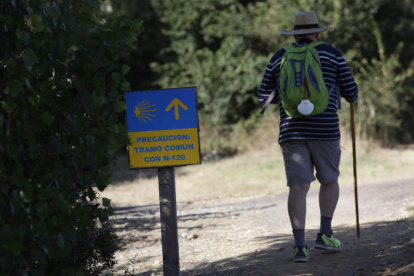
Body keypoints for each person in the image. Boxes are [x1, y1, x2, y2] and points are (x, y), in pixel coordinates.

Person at [258, 10, 358, 263]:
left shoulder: (280, 56)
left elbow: (262, 96)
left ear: (295, 33)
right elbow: (351, 92)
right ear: (317, 32)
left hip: (292, 130)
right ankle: (325, 234)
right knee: (329, 180)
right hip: (325, 129)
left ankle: (300, 246)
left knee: (298, 186)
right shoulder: (332, 54)